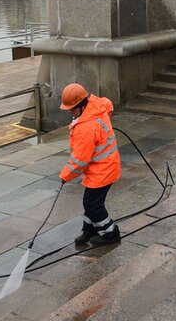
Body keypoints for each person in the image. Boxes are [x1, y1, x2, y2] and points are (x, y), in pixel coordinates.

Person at [59, 83, 121, 245]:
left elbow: (80, 160)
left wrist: (65, 176)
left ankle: (110, 233)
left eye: (72, 109)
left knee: (92, 203)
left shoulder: (86, 126)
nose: (70, 112)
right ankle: (90, 230)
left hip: (102, 170)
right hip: (105, 166)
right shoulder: (96, 106)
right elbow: (108, 104)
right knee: (93, 202)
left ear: (82, 105)